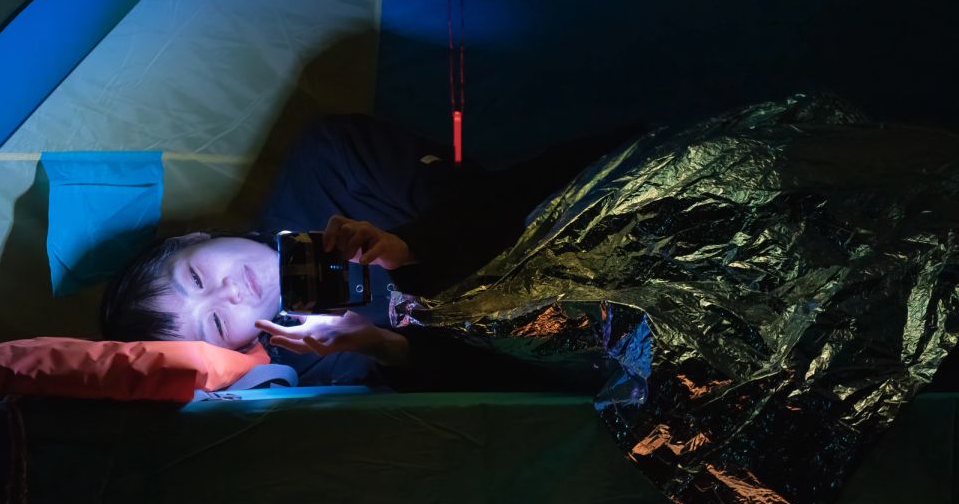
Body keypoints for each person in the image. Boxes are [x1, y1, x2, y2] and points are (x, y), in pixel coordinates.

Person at [100, 114, 644, 388]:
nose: (230, 292)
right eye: (217, 323)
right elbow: (500, 381)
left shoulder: (326, 162)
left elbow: (495, 207)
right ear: (236, 348)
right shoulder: (319, 365)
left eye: (196, 278)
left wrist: (405, 248)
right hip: (609, 325)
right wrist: (384, 345)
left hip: (602, 197)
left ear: (192, 239)